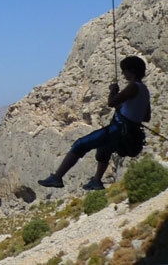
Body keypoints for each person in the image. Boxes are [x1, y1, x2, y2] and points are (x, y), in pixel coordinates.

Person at [39, 55, 151, 191]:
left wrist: (113, 91)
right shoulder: (145, 90)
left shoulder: (133, 86)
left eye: (124, 71)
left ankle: (57, 177)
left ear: (131, 71)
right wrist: (126, 110)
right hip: (130, 132)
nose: (123, 73)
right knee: (104, 149)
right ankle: (96, 180)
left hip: (118, 129)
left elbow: (111, 102)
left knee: (81, 144)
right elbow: (146, 117)